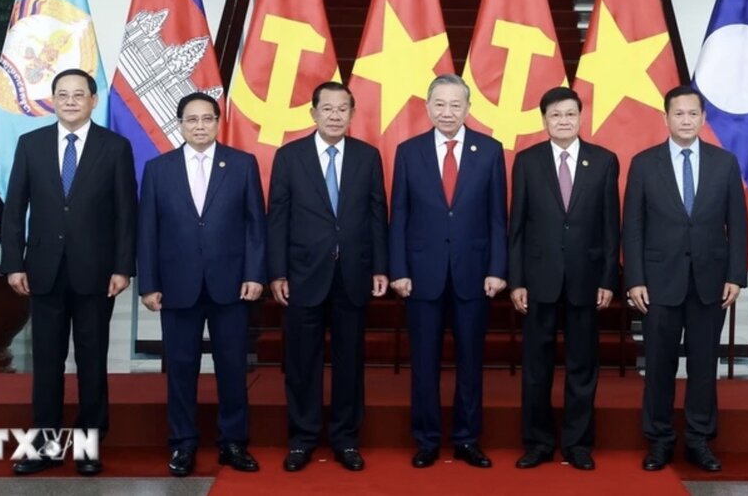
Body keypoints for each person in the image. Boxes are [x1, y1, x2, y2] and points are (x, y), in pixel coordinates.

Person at [1, 68, 137, 476]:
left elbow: (126, 214)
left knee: (92, 361)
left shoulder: (115, 147)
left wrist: (122, 267)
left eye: (80, 94)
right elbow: (14, 210)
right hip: (42, 270)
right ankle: (43, 446)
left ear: (94, 100)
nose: (72, 101)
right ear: (53, 100)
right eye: (63, 94)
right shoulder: (31, 145)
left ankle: (88, 447)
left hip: (97, 272)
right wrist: (13, 263)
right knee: (46, 362)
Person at [137, 92, 266, 477]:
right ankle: (183, 444)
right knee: (180, 368)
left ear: (217, 122)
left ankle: (233, 443)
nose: (199, 126)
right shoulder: (159, 169)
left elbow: (255, 226)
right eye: (191, 120)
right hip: (177, 285)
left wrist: (255, 274)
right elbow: (148, 232)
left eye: (206, 119)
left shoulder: (242, 165)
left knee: (231, 367)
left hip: (231, 285)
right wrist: (148, 284)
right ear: (180, 125)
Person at [623, 85, 748, 473]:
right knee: (659, 366)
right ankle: (659, 440)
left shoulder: (724, 163)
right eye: (679, 114)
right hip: (659, 283)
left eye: (693, 114)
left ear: (703, 118)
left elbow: (738, 224)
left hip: (711, 281)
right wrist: (635, 279)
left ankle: (698, 439)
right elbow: (634, 226)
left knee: (703, 366)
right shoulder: (644, 164)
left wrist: (736, 275)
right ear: (665, 118)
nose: (686, 120)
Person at [267, 81, 388, 473]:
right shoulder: (289, 157)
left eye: (343, 109)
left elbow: (376, 216)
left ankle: (346, 439)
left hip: (352, 274)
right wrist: (277, 272)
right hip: (303, 275)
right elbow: (278, 218)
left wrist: (380, 267)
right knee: (303, 362)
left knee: (350, 361)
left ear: (352, 114)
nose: (335, 116)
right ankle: (302, 439)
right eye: (328, 109)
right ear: (313, 113)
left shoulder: (368, 157)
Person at [389, 73, 507, 469]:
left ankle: (466, 439)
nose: (447, 112)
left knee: (471, 362)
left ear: (469, 108)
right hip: (421, 274)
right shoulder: (409, 151)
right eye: (440, 104)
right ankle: (425, 439)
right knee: (424, 363)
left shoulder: (490, 151)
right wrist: (399, 269)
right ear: (427, 107)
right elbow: (399, 215)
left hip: (474, 274)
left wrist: (497, 269)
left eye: (456, 105)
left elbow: (497, 217)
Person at [508, 87, 619, 471]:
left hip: (586, 280)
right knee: (536, 367)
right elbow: (517, 226)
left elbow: (610, 227)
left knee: (582, 366)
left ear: (580, 116)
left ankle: (578, 444)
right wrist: (516, 280)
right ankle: (538, 442)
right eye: (555, 115)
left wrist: (608, 279)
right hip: (538, 279)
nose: (563, 121)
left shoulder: (604, 161)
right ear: (544, 120)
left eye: (570, 114)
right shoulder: (527, 161)